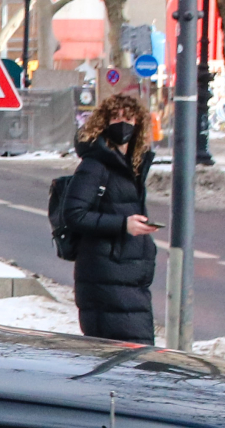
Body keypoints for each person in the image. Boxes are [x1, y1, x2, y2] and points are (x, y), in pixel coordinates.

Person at [61, 91, 161, 342]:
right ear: (103, 123)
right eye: (115, 118)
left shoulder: (131, 165)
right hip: (105, 277)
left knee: (130, 356)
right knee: (126, 355)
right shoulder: (95, 164)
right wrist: (123, 225)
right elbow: (74, 214)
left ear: (139, 123)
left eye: (129, 118)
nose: (123, 124)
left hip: (127, 278)